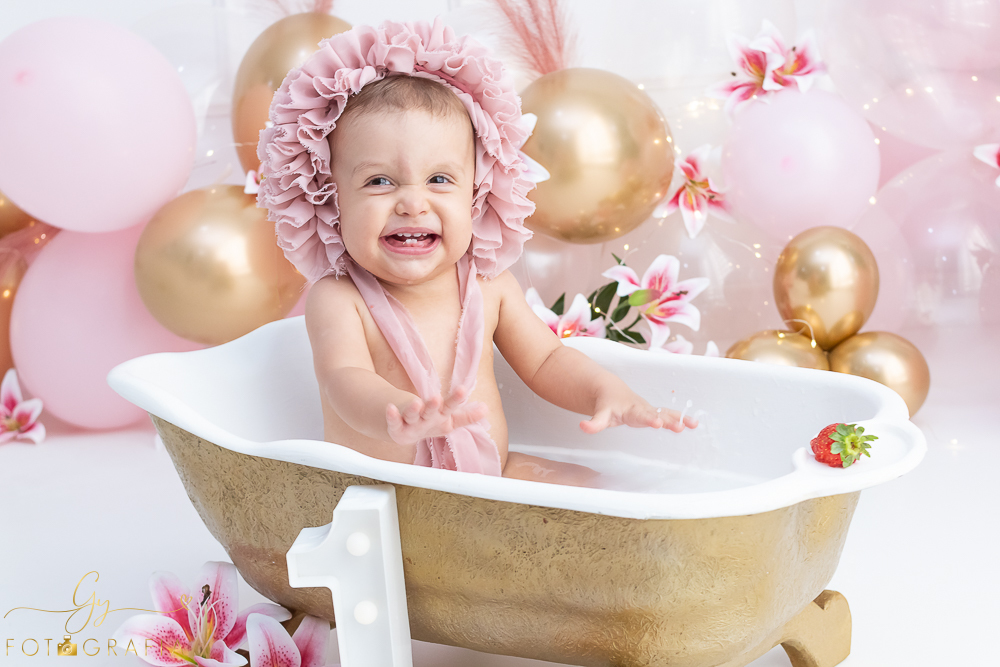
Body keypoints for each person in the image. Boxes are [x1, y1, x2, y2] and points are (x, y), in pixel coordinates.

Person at [257, 19, 697, 486]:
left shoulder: (491, 286)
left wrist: (605, 391)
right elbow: (343, 379)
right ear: (333, 200)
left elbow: (547, 361)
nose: (412, 203)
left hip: (489, 477)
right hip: (384, 497)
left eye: (439, 179)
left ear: (476, 194)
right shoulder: (339, 298)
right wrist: (398, 412)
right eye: (379, 181)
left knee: (593, 487)